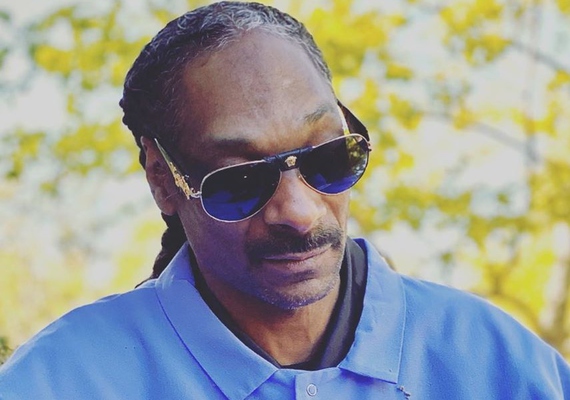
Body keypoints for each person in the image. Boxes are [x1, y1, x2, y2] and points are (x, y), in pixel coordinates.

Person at [1, 1, 569, 398]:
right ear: (161, 179)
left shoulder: (501, 367)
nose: (300, 211)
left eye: (329, 158)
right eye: (241, 179)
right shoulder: (60, 380)